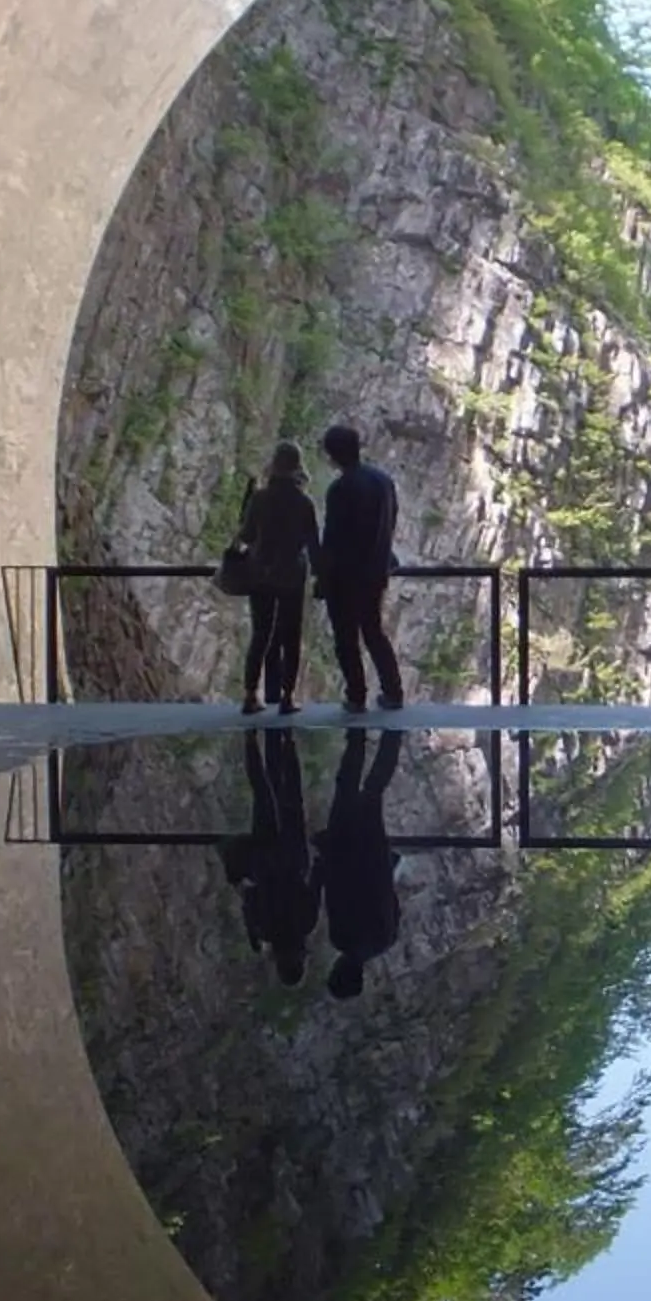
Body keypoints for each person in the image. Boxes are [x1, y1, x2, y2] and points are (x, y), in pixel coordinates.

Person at [315, 422, 404, 714]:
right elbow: (391, 521)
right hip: (376, 571)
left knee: (345, 637)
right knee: (373, 631)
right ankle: (393, 691)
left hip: (345, 575)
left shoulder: (340, 489)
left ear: (333, 455)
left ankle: (357, 695)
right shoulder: (383, 481)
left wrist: (323, 576)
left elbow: (334, 537)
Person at [217, 729, 317, 986]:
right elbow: (248, 894)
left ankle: (287, 741)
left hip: (294, 858)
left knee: (292, 799)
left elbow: (314, 885)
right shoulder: (264, 930)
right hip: (265, 861)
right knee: (262, 794)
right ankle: (251, 741)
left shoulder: (306, 924)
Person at [315, 728, 404, 1001]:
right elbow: (336, 890)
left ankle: (393, 735)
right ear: (338, 970)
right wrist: (326, 851)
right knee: (347, 786)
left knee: (373, 791)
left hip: (374, 854)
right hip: (346, 849)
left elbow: (392, 901)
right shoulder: (340, 938)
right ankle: (358, 736)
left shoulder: (385, 941)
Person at [235, 440, 319, 713]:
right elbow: (313, 544)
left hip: (260, 573)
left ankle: (250, 695)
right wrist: (321, 576)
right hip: (292, 575)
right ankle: (287, 696)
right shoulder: (304, 503)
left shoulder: (259, 498)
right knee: (290, 636)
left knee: (261, 633)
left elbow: (246, 536)